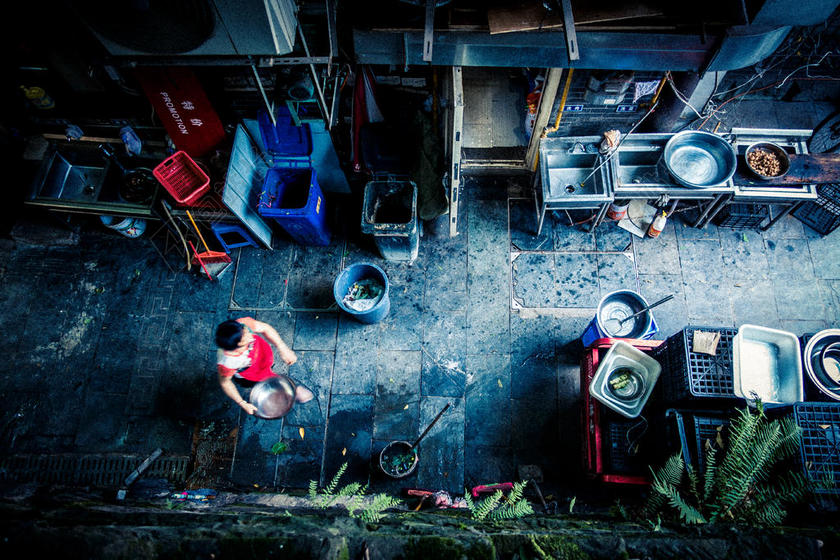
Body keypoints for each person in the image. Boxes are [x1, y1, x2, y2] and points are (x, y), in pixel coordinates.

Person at [215, 317, 313, 415]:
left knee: (269, 371)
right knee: (263, 382)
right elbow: (225, 383)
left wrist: (282, 347)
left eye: (246, 332)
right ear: (236, 347)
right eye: (246, 339)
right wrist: (242, 403)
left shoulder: (242, 325)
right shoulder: (228, 362)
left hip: (262, 356)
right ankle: (285, 392)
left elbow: (265, 328)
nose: (251, 336)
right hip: (251, 373)